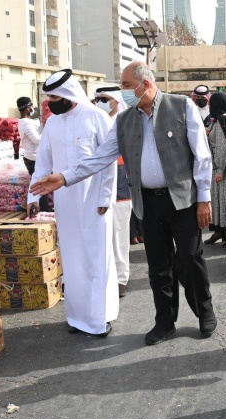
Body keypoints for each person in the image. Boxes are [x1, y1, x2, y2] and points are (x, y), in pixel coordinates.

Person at [29, 61, 217, 346]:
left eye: (127, 85)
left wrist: (204, 198)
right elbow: (100, 158)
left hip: (183, 200)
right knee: (158, 266)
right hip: (148, 203)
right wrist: (64, 178)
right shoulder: (124, 120)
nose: (123, 91)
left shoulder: (181, 106)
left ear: (146, 84)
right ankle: (164, 322)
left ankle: (204, 312)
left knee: (189, 259)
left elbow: (201, 156)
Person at [27, 69, 118, 337]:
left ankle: (100, 318)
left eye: (54, 97)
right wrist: (33, 196)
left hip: (93, 199)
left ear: (68, 94)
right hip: (65, 201)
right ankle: (78, 318)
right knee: (73, 257)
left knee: (96, 257)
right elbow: (43, 162)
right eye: (48, 98)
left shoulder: (97, 117)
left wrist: (104, 197)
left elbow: (109, 160)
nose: (50, 103)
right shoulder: (52, 124)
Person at [95, 86, 132, 298]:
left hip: (121, 184)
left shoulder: (126, 120)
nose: (100, 102)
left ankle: (120, 279)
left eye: (104, 99)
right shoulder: (96, 120)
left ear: (116, 101)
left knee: (119, 235)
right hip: (98, 185)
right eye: (98, 98)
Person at [204, 93, 226, 247]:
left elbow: (221, 147)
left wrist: (218, 170)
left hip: (224, 168)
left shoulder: (221, 120)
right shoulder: (224, 118)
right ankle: (220, 231)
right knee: (219, 200)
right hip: (221, 166)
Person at [17, 96, 48, 214]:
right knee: (41, 185)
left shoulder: (29, 121)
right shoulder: (25, 124)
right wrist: (47, 128)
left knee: (42, 183)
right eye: (30, 106)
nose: (32, 108)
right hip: (33, 159)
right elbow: (37, 140)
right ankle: (42, 210)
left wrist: (44, 124)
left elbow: (38, 132)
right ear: (26, 108)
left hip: (36, 157)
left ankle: (36, 207)